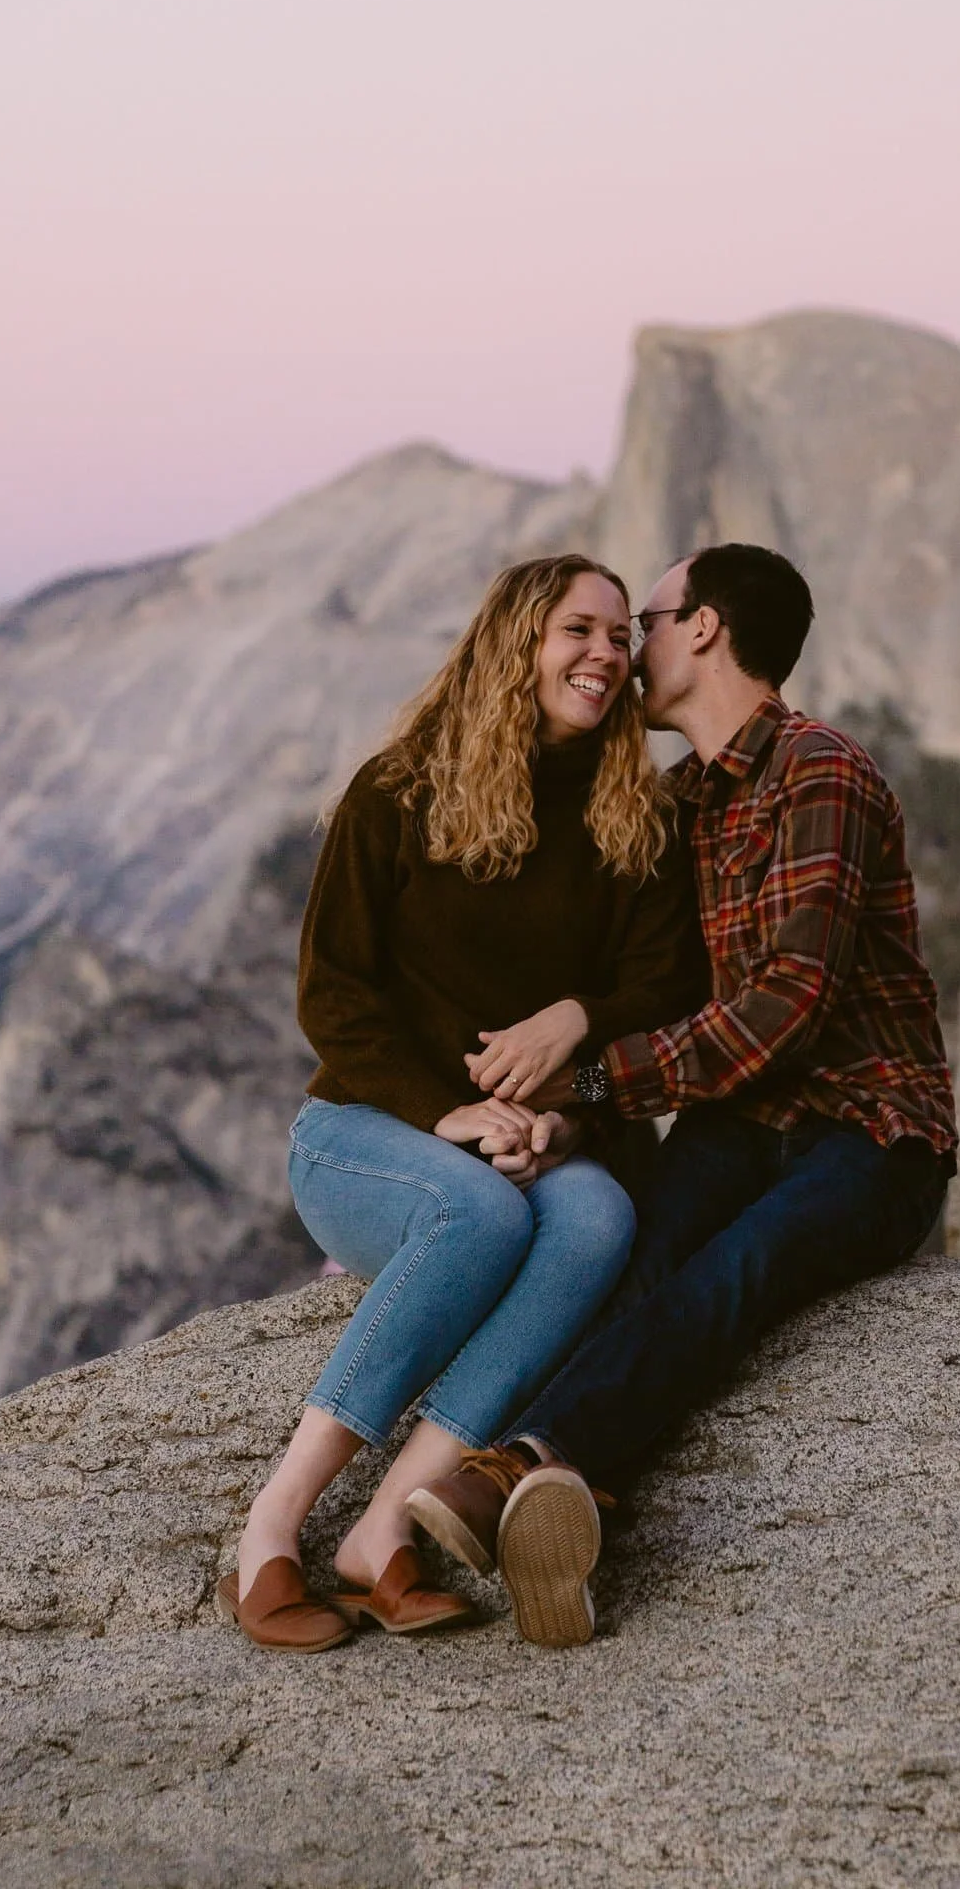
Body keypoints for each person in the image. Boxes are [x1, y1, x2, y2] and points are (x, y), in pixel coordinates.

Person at [407, 542, 959, 1647]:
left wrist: (597, 1075)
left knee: (735, 1271)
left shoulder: (822, 773)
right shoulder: (671, 804)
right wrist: (548, 1093)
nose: (625, 650)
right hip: (733, 1124)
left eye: (643, 621)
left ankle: (517, 1466)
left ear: (702, 627)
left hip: (870, 1128)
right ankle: (576, 1507)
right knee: (633, 1264)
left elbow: (785, 1007)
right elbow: (638, 984)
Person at [217, 554, 706, 1652]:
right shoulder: (398, 793)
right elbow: (332, 997)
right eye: (579, 627)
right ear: (514, 641)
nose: (606, 654)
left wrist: (564, 1097)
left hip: (543, 1134)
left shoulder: (637, 822)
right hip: (366, 1133)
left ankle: (386, 1525)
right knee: (476, 1211)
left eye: (623, 635)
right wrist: (452, 1113)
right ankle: (273, 1526)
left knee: (598, 1217)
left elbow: (663, 990)